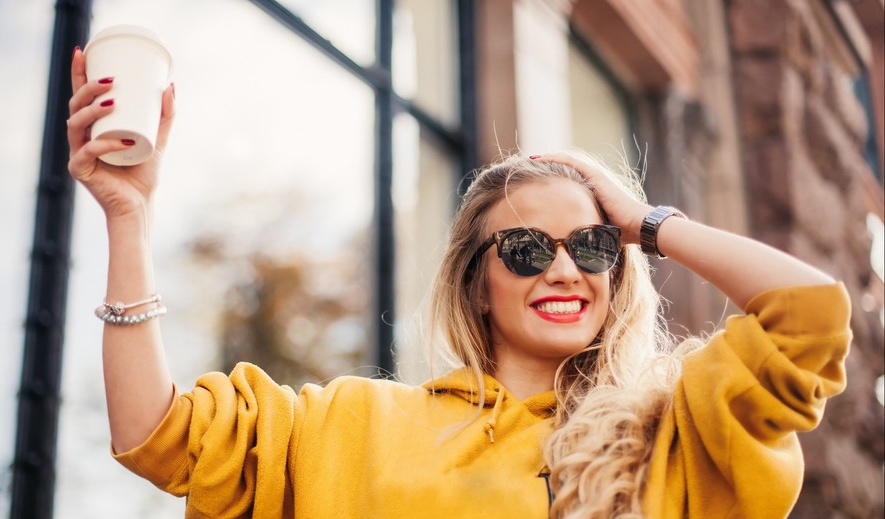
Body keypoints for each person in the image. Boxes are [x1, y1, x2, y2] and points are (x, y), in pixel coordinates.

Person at [67, 47, 851, 519]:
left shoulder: (671, 435)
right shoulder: (351, 423)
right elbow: (154, 434)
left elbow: (808, 313)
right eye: (522, 247)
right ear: (476, 282)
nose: (562, 268)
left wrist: (645, 221)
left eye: (588, 244)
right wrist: (128, 219)